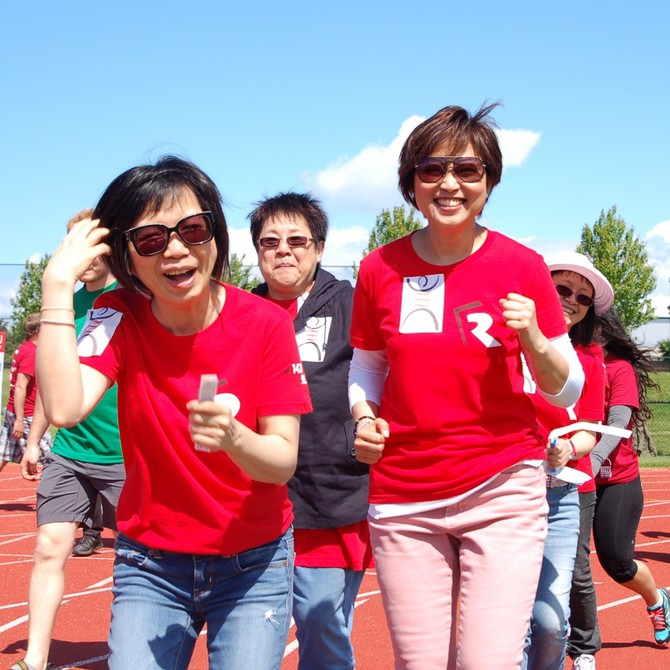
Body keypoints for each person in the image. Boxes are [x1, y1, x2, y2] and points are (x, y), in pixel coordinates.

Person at [32, 156, 312, 670]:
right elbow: (66, 407)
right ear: (128, 257)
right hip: (151, 563)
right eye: (151, 240)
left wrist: (234, 439)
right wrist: (55, 284)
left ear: (215, 235)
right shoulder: (117, 313)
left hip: (253, 560)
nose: (177, 249)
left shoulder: (267, 324)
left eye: (193, 229)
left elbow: (280, 462)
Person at [347, 103, 585, 669]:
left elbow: (566, 389)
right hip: (404, 495)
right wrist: (363, 417)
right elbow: (366, 366)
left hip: (503, 486)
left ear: (489, 182)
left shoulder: (523, 265)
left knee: (487, 662)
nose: (449, 184)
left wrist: (535, 338)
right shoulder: (379, 268)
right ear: (411, 182)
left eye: (468, 170)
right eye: (432, 169)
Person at [250, 192, 371, 669]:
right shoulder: (239, 308)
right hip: (256, 497)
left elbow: (383, 374)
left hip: (331, 494)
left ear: (319, 248)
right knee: (258, 624)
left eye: (297, 240)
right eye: (270, 241)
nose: (284, 250)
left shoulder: (351, 304)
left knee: (320, 621)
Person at [13, 209, 124, 670]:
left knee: (147, 562)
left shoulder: (135, 299)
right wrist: (36, 439)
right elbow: (53, 381)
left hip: (128, 455)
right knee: (48, 546)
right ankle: (35, 659)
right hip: (71, 451)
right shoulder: (65, 306)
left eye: (93, 238)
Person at [523, 252, 612, 670]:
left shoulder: (591, 362)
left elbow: (589, 430)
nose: (571, 299)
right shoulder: (508, 342)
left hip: (560, 497)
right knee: (511, 623)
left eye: (582, 297)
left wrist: (568, 448)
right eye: (562, 288)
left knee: (551, 624)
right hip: (505, 491)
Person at [591, 309, 669, 649]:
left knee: (617, 563)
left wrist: (594, 458)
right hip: (571, 480)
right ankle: (574, 639)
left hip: (616, 479)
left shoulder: (618, 368)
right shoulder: (568, 360)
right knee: (567, 562)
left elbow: (619, 421)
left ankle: (657, 599)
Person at [0, 314, 52, 473]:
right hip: (27, 414)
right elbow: (21, 386)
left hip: (13, 410)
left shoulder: (24, 348)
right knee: (51, 459)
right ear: (37, 331)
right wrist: (20, 419)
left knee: (4, 454)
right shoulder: (31, 352)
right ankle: (54, 494)